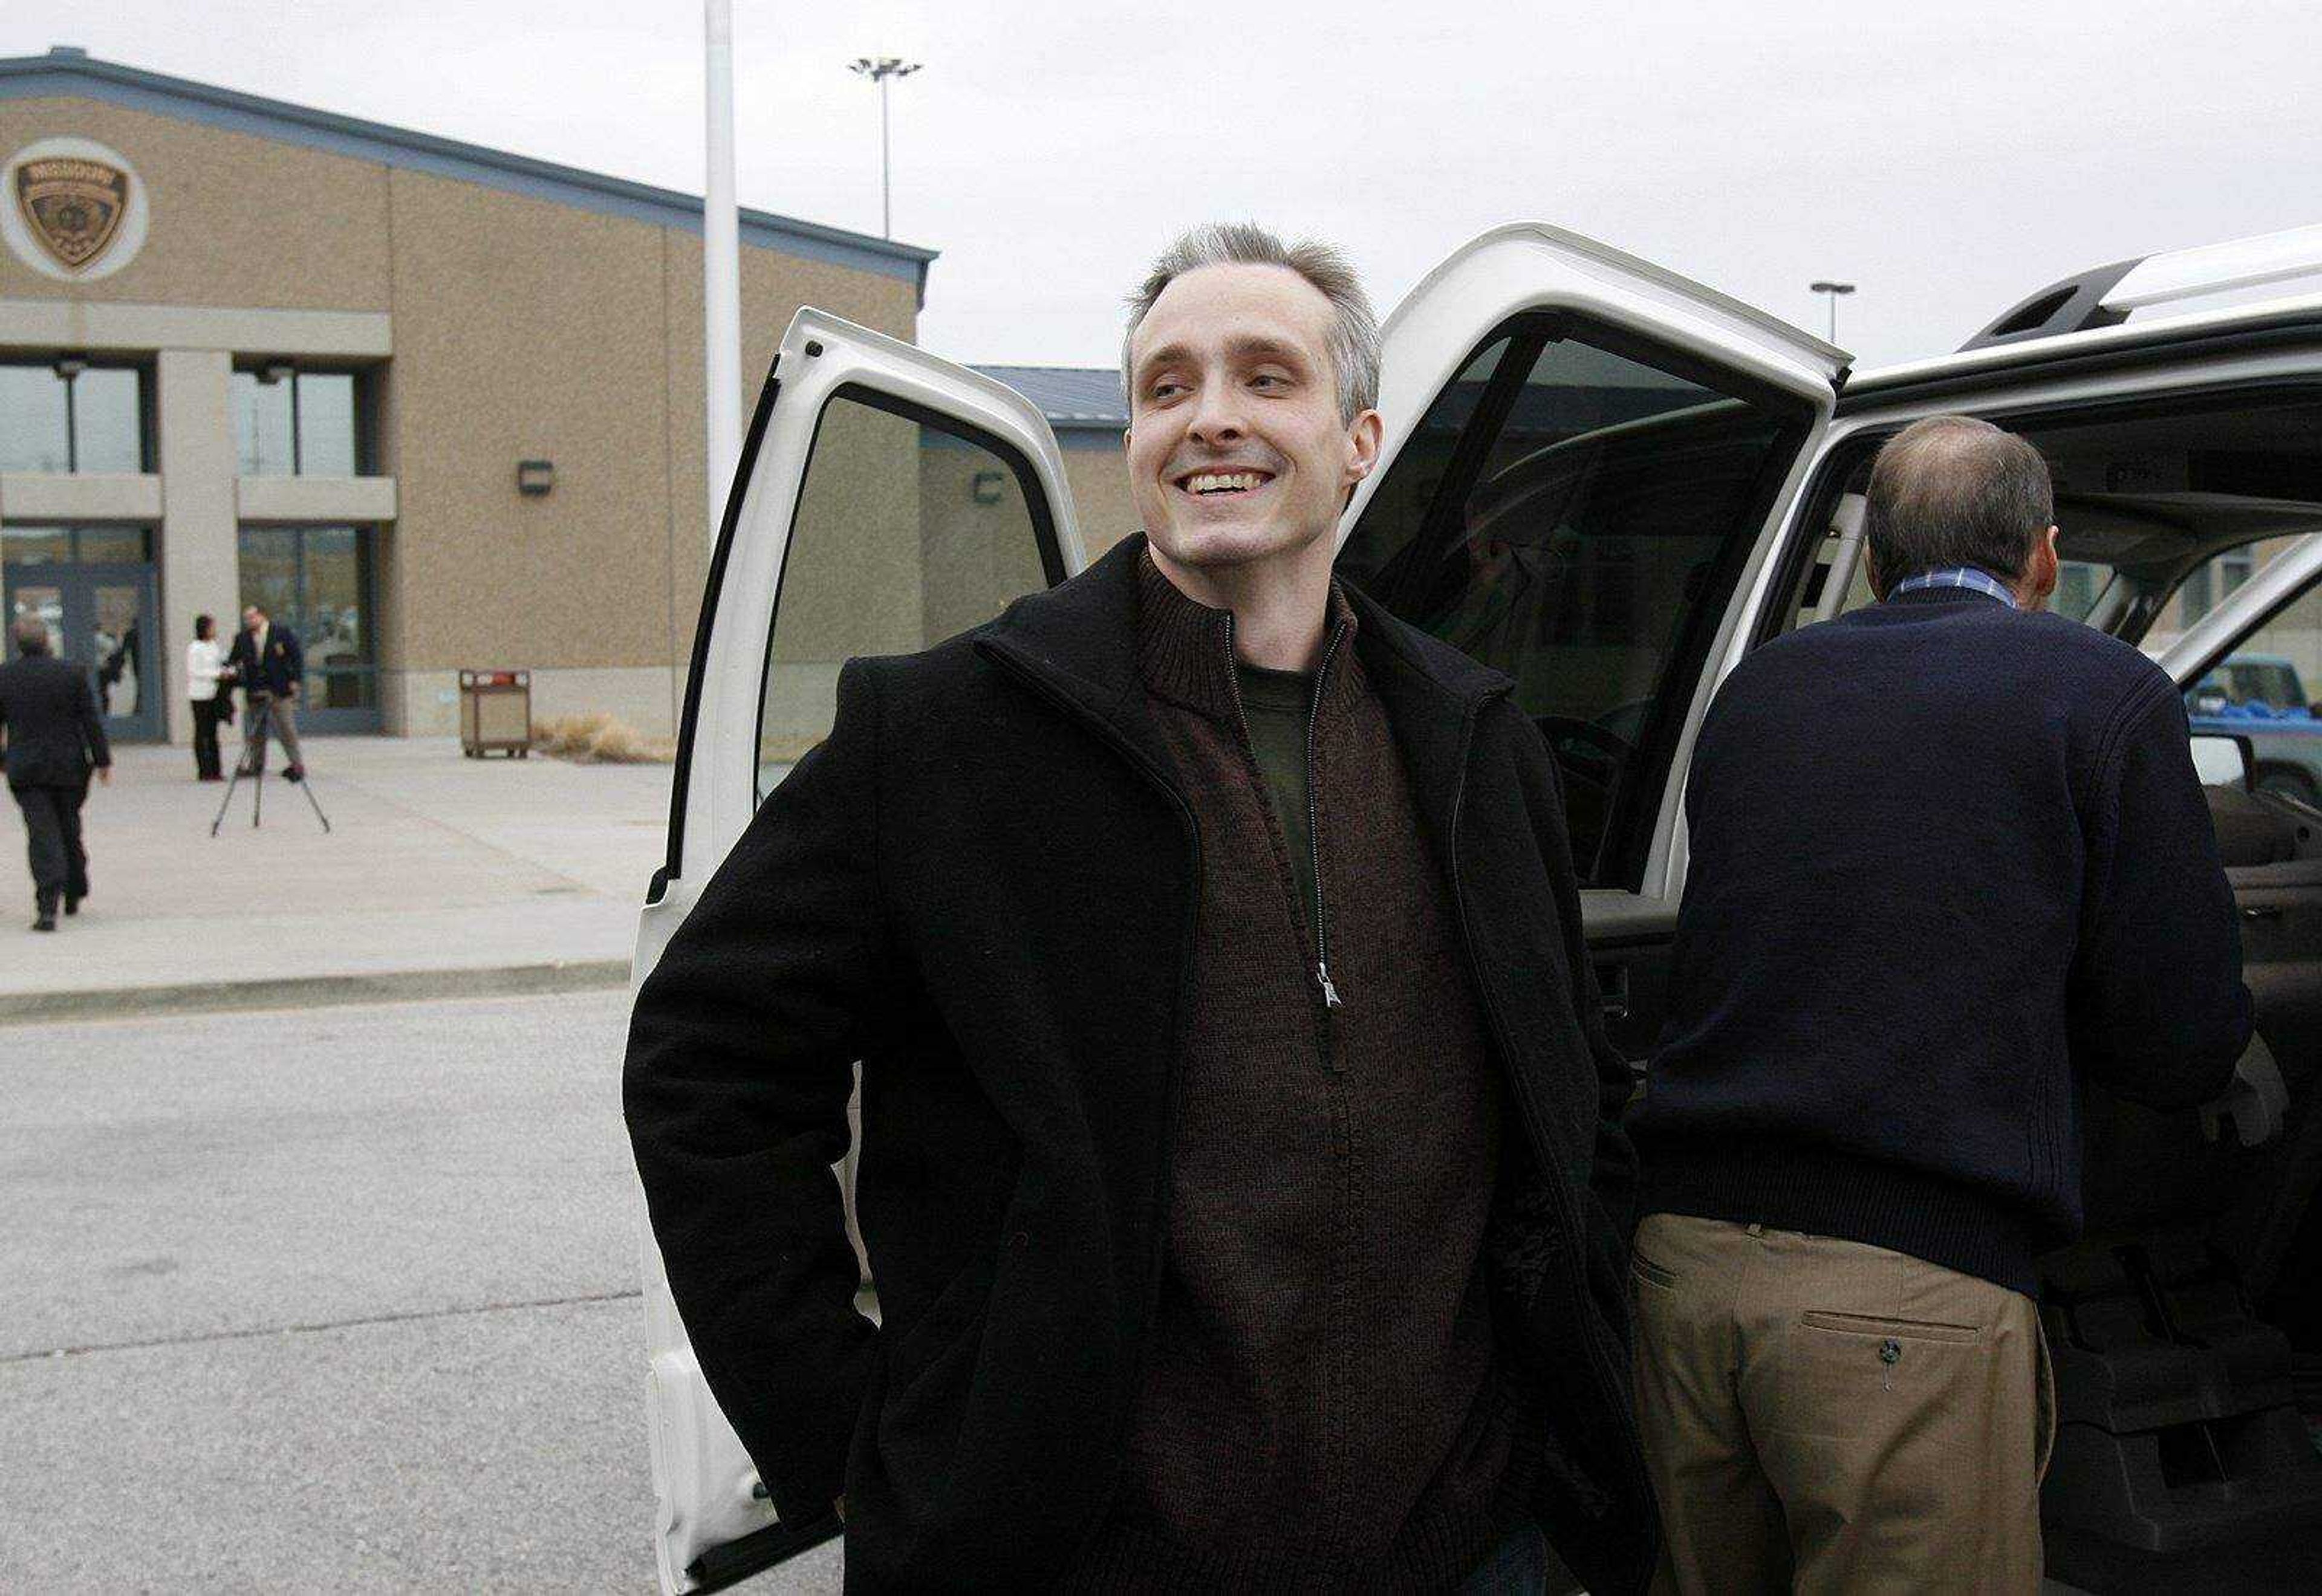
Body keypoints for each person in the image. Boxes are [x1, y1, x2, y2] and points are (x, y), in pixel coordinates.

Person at [625, 224, 1656, 1593]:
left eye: (1262, 377)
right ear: (1133, 443)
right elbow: (703, 1066)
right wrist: (859, 1439)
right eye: (1166, 386)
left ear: (1358, 438)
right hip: (1088, 1562)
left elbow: (1568, 1092)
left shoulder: (1476, 743)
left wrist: (1574, 1394)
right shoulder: (947, 734)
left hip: (1468, 1548)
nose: (1209, 416)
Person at [1629, 415, 2253, 1592]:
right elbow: (2183, 1038)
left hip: (1684, 1276)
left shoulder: (1755, 693)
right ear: (2047, 559)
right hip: (1906, 1305)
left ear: (1873, 561)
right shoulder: (2103, 695)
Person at [0, 614, 112, 931]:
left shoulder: (6, 676)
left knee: (42, 833)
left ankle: (47, 904)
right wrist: (103, 760)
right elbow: (90, 719)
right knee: (68, 825)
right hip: (70, 767)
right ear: (47, 640)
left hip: (26, 768)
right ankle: (74, 887)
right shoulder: (71, 673)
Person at [224, 604, 305, 782]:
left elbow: (296, 657)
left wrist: (295, 680)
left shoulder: (281, 633)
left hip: (279, 688)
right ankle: (257, 765)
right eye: (246, 618)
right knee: (256, 731)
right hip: (256, 689)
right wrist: (230, 672)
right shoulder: (242, 638)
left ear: (261, 616)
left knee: (286, 727)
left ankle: (297, 764)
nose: (249, 621)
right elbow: (233, 660)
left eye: (252, 617)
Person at [186, 614, 232, 782]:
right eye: (211, 627)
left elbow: (222, 661)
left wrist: (228, 670)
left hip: (214, 694)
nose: (214, 631)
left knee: (213, 733)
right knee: (202, 731)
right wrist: (217, 674)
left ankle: (216, 769)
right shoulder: (195, 648)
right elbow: (195, 671)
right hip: (200, 695)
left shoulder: (214, 646)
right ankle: (204, 770)